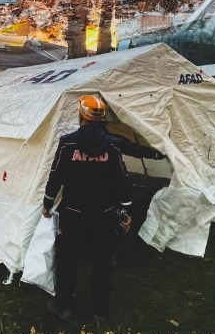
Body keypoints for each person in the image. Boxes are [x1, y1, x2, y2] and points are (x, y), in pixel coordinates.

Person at [41, 95, 164, 321]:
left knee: (68, 261)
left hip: (73, 214)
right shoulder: (113, 144)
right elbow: (122, 181)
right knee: (102, 263)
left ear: (81, 115)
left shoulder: (68, 143)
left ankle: (63, 306)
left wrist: (47, 204)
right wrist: (126, 213)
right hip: (104, 215)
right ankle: (100, 310)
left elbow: (56, 176)